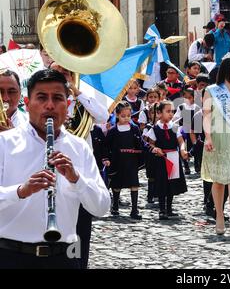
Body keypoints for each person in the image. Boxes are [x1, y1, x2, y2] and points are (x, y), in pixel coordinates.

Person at [0, 69, 110, 269]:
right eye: (41, 98)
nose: (49, 105)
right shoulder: (4, 143)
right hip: (9, 256)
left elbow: (101, 207)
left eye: (57, 98)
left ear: (67, 104)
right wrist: (20, 191)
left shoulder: (79, 147)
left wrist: (77, 180)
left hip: (63, 258)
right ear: (27, 102)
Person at [49, 62, 109, 269]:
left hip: (79, 174)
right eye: (57, 72)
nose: (62, 75)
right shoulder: (48, 103)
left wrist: (77, 92)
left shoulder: (84, 100)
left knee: (81, 230)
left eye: (66, 72)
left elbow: (103, 116)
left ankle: (78, 265)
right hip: (52, 171)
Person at [202, 53, 230, 237]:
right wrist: (208, 137)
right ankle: (220, 216)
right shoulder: (212, 90)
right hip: (217, 138)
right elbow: (205, 115)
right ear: (225, 70)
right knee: (219, 181)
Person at [146, 101, 189, 220]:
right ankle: (161, 210)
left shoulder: (175, 128)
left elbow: (181, 142)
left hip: (173, 157)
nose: (171, 114)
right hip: (161, 160)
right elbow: (151, 144)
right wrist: (155, 149)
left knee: (171, 184)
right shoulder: (155, 129)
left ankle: (169, 209)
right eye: (168, 111)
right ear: (159, 113)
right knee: (161, 183)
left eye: (172, 112)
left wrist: (182, 150)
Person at [103, 101, 144, 220]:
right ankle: (115, 206)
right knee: (117, 185)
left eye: (129, 116)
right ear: (117, 115)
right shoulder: (113, 131)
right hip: (117, 161)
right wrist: (106, 158)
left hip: (131, 161)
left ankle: (134, 209)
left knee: (134, 184)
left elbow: (140, 143)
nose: (126, 118)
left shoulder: (134, 129)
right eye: (123, 116)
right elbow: (106, 145)